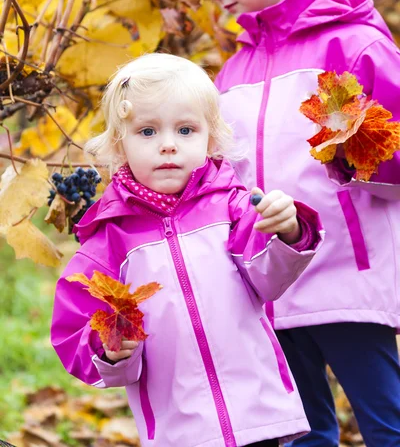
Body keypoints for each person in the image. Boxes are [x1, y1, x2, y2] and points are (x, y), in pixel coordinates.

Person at [192, 0, 400, 447]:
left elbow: (395, 159)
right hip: (272, 285)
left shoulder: (350, 46)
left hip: (345, 279)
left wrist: (353, 152)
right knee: (301, 432)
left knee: (388, 424)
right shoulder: (233, 73)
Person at [51, 53, 324, 447]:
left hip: (256, 408)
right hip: (178, 428)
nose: (167, 145)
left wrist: (288, 230)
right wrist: (111, 351)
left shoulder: (234, 206)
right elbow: (75, 327)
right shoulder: (109, 239)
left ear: (210, 139)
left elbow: (270, 278)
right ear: (118, 144)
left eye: (185, 130)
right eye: (147, 132)